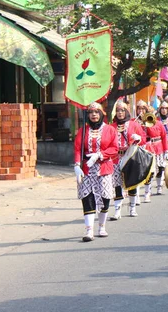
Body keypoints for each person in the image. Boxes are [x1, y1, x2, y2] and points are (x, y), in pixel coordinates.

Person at [74, 102, 118, 241]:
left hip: (104, 167)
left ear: (101, 114)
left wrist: (100, 155)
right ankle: (89, 231)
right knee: (87, 198)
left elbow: (114, 149)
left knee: (105, 197)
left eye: (96, 112)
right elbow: (77, 148)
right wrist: (76, 165)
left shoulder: (110, 130)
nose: (93, 114)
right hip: (86, 168)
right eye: (91, 112)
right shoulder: (83, 131)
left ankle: (102, 226)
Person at [110, 101, 146, 219]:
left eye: (122, 110)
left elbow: (144, 139)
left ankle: (132, 208)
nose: (120, 113)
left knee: (131, 183)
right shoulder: (112, 126)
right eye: (118, 111)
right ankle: (117, 210)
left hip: (130, 157)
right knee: (117, 184)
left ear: (126, 112)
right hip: (116, 158)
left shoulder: (133, 124)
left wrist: (138, 138)